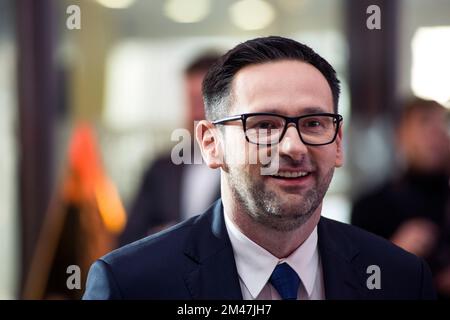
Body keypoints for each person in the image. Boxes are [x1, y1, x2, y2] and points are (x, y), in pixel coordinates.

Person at [83, 36, 436, 300]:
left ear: (338, 142)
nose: (293, 147)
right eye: (264, 125)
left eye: (314, 123)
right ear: (211, 143)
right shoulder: (131, 285)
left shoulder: (400, 279)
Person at [118, 53, 221, 246]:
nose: (197, 113)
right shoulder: (161, 168)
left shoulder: (249, 166)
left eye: (204, 102)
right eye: (191, 101)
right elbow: (129, 238)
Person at [352, 98, 450, 298]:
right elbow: (356, 284)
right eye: (425, 123)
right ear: (400, 134)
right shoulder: (370, 206)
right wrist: (394, 253)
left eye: (443, 124)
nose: (437, 133)